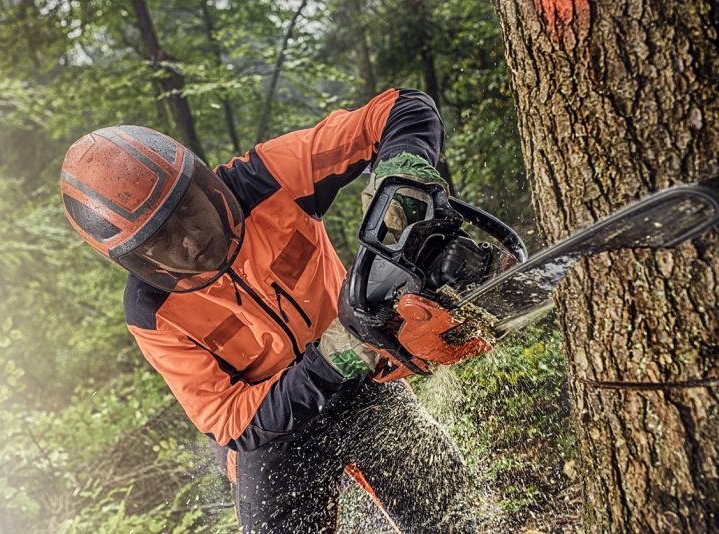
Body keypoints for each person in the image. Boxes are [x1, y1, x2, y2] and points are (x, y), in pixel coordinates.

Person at [60, 88, 479, 532]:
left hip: (366, 381)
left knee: (454, 517)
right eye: (161, 239)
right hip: (275, 439)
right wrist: (335, 354)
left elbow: (399, 108)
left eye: (187, 210)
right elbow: (229, 419)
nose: (190, 238)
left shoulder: (266, 179)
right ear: (137, 258)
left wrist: (402, 176)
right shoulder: (151, 310)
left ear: (203, 183)